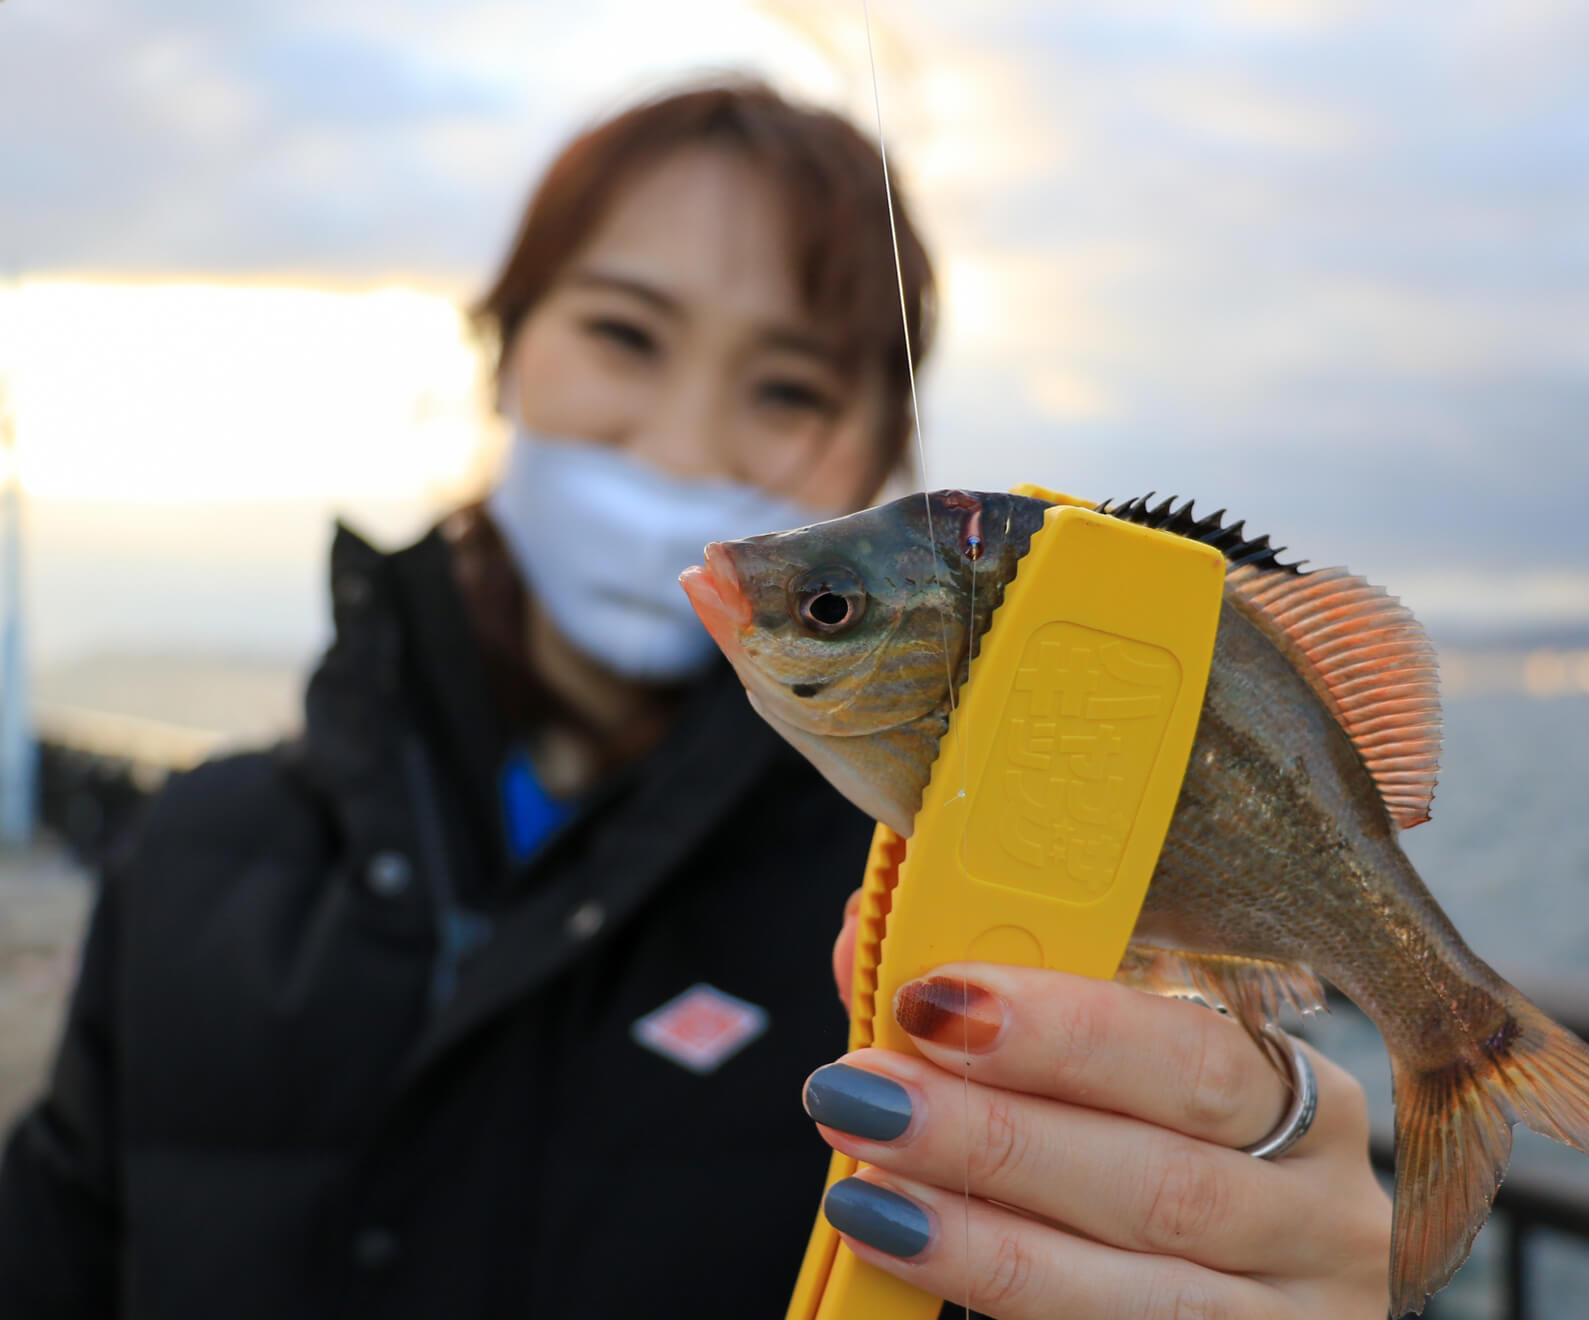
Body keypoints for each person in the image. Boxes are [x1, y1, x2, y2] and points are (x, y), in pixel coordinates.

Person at [0, 80, 1389, 1318]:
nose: (682, 444)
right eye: (624, 334)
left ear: (882, 456)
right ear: (505, 350)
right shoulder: (189, 854)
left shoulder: (955, 916)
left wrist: (1260, 1243)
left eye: (785, 385)